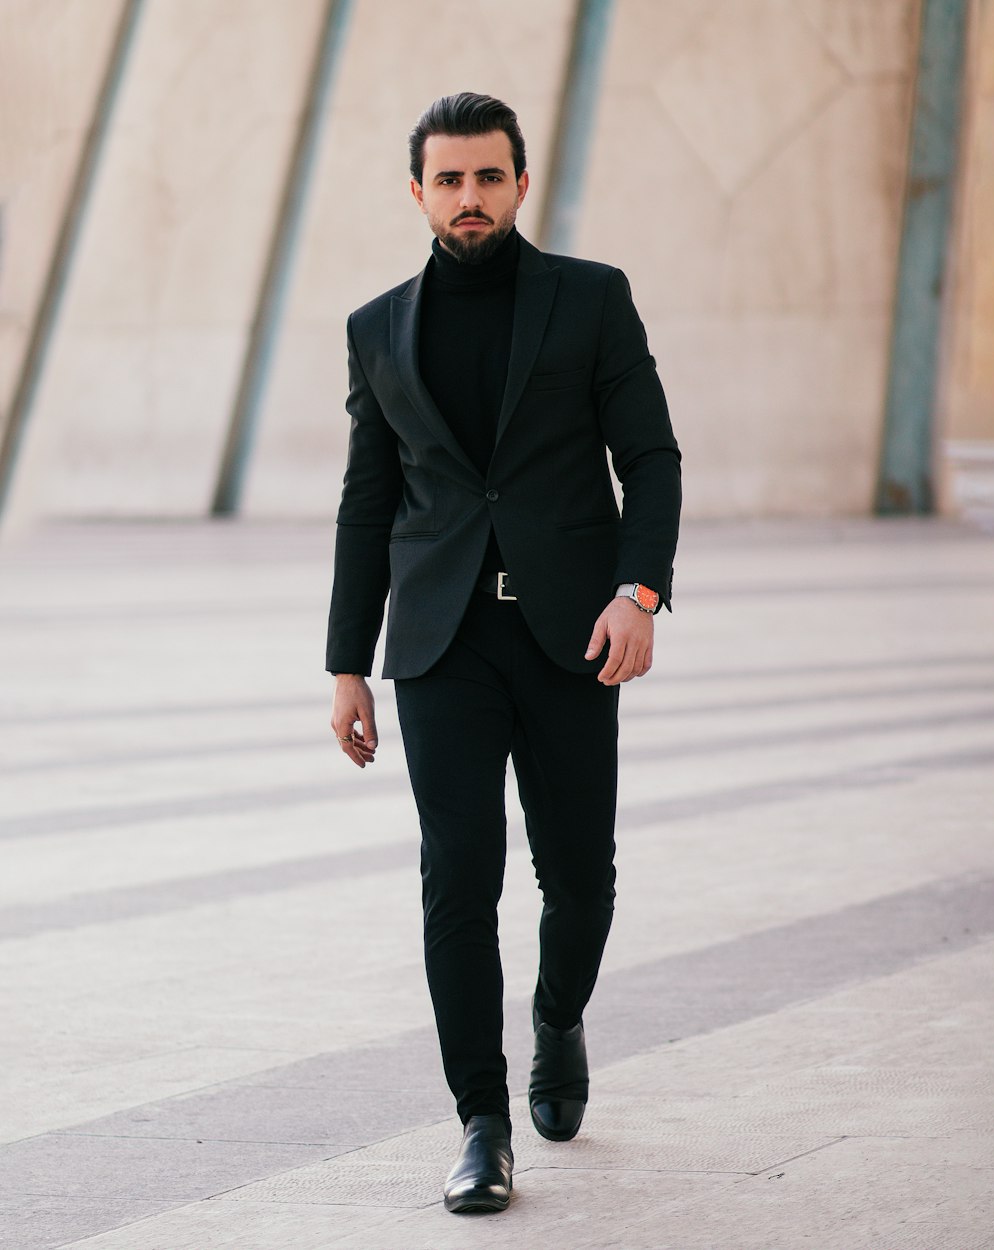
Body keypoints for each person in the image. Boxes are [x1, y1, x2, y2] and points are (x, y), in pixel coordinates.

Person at [327, 92, 681, 1214]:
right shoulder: (377, 326)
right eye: (449, 179)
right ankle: (481, 1120)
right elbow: (366, 501)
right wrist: (346, 661)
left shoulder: (589, 298)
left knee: (579, 875)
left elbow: (653, 460)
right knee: (456, 875)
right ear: (419, 191)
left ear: (521, 183)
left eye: (488, 177)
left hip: (571, 633)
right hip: (439, 646)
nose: (469, 197)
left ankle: (558, 1012)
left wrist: (639, 592)